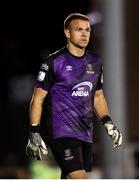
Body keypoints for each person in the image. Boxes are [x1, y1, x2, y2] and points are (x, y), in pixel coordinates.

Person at [26, 13, 122, 179]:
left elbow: (98, 96)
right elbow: (38, 99)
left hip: (85, 133)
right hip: (61, 133)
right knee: (79, 177)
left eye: (88, 30)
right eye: (79, 30)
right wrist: (34, 131)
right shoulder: (53, 62)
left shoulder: (96, 62)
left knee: (69, 176)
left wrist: (108, 123)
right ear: (67, 33)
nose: (85, 34)